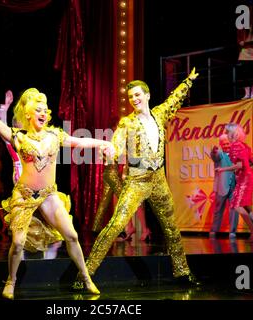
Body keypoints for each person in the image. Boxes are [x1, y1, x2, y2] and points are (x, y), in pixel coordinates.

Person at [0, 88, 115, 299]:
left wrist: (104, 143)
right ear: (28, 114)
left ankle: (86, 278)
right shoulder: (17, 136)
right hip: (24, 195)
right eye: (38, 110)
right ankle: (11, 280)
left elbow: (80, 141)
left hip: (48, 195)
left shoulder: (55, 135)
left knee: (72, 236)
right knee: (18, 243)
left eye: (45, 110)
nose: (43, 113)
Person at [84, 68, 200, 287]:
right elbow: (116, 146)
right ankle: (86, 272)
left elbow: (175, 99)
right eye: (130, 97)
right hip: (137, 180)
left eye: (137, 95)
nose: (134, 99)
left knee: (171, 228)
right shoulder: (127, 123)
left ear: (147, 95)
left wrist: (188, 81)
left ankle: (183, 272)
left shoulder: (159, 113)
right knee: (116, 225)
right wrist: (110, 152)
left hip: (158, 179)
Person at [216, 123, 253, 243]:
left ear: (233, 133)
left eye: (227, 132)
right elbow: (251, 162)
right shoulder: (243, 145)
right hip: (247, 177)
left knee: (236, 205)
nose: (226, 134)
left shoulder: (236, 146)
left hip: (244, 178)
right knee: (245, 206)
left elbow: (239, 165)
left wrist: (222, 169)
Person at [91, 163, 151, 241]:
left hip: (131, 171)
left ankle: (144, 229)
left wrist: (125, 171)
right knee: (125, 200)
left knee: (132, 199)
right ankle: (131, 227)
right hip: (124, 171)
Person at [209, 134, 239, 239]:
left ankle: (233, 231)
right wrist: (213, 151)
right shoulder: (220, 154)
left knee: (234, 210)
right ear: (221, 145)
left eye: (228, 143)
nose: (226, 145)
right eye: (224, 144)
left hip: (234, 187)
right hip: (222, 187)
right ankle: (214, 230)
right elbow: (214, 156)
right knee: (218, 209)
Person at [0, 89, 23, 184]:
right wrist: (6, 107)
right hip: (21, 179)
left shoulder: (30, 138)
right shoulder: (13, 140)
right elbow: (1, 126)